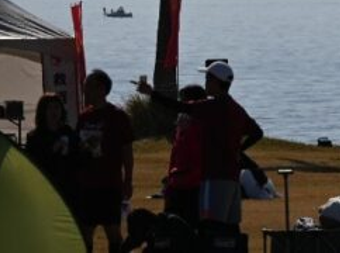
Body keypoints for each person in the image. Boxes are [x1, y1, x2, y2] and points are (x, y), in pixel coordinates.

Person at [139, 60, 264, 230]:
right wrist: (238, 149)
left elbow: (179, 106)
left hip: (214, 178)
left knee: (210, 226)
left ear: (215, 82)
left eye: (207, 79)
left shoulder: (212, 107)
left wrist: (151, 93)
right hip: (232, 179)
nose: (205, 83)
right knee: (230, 229)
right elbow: (257, 133)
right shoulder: (236, 108)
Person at [75, 69, 134, 251]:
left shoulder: (118, 116)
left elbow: (127, 151)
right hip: (86, 185)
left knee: (113, 232)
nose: (85, 91)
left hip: (110, 184)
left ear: (101, 89)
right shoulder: (84, 117)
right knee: (85, 232)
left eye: (88, 87)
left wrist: (128, 180)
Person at [163, 84, 208, 225]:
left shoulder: (197, 125)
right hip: (178, 181)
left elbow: (194, 155)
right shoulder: (182, 125)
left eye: (183, 100)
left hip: (191, 183)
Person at [25, 92, 77, 204]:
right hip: (46, 187)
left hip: (68, 188)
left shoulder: (67, 131)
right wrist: (52, 149)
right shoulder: (34, 137)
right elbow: (33, 164)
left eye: (57, 107)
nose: (54, 112)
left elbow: (76, 157)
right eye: (50, 108)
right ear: (43, 111)